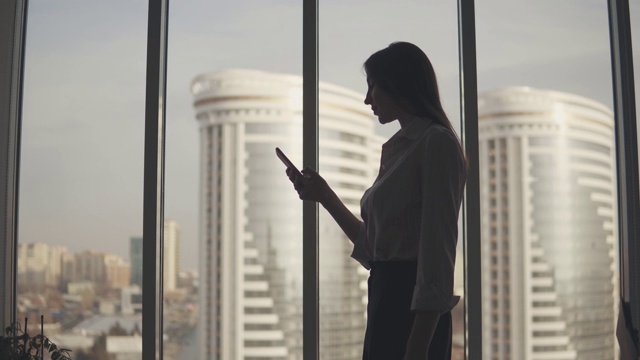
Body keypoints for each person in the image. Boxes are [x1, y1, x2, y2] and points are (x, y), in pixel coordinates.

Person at [285, 41, 467, 360]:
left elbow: (437, 258)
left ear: (399, 85)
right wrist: (324, 195)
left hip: (412, 321)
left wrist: (417, 347)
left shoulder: (435, 143)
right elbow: (376, 250)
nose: (368, 98)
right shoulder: (401, 149)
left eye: (373, 86)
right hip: (386, 305)